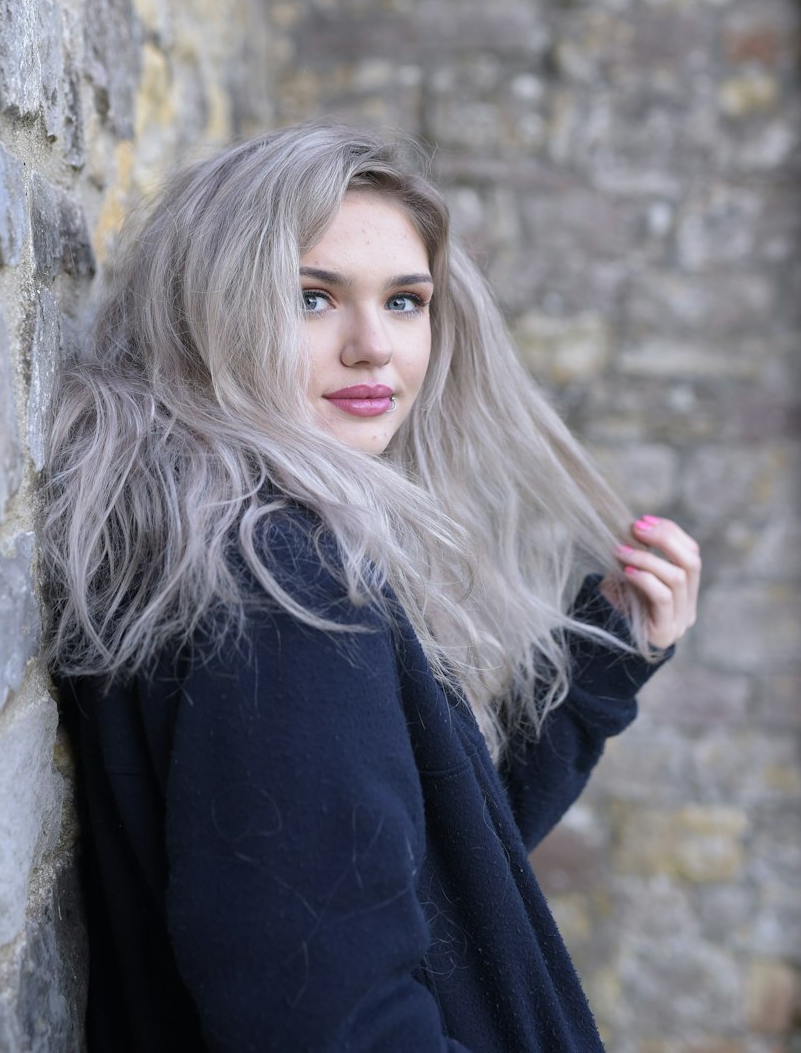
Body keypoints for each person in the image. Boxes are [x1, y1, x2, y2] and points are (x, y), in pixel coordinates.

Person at [43, 124, 701, 1052]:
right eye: (313, 298)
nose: (373, 348)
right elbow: (333, 1021)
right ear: (215, 308)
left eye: (404, 302)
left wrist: (599, 662)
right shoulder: (283, 589)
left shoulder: (215, 541)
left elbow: (415, 875)